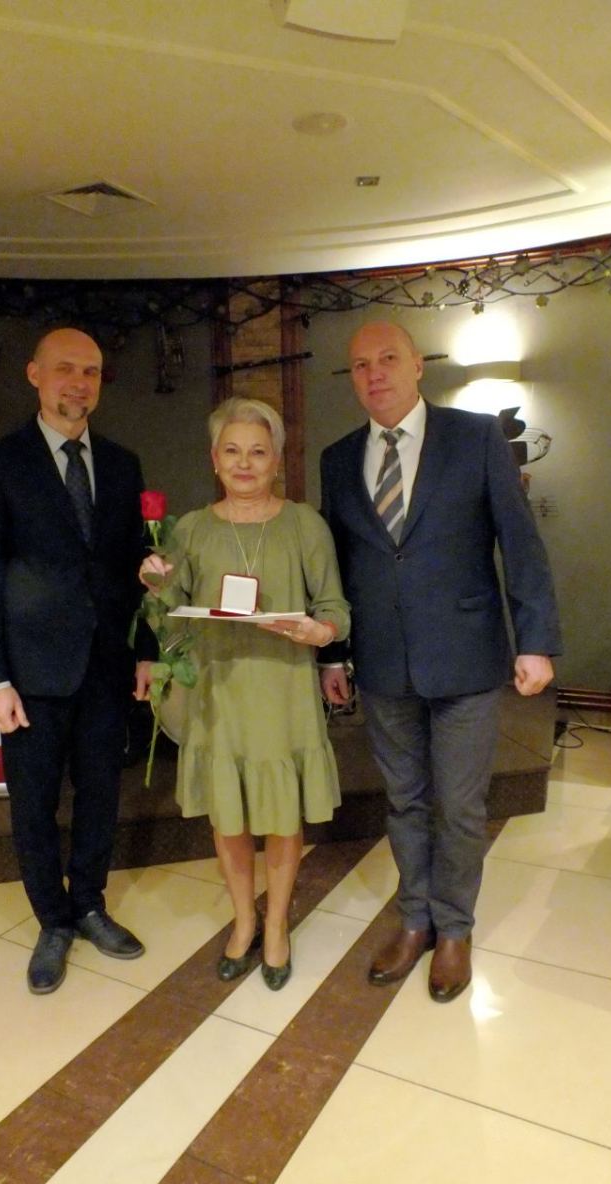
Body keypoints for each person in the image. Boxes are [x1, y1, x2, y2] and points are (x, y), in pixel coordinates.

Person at [320, 320, 562, 1003]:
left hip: (466, 657)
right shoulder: (338, 459)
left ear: (417, 365)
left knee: (457, 806)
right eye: (360, 364)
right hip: (382, 661)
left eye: (387, 358)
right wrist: (333, 654)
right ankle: (414, 919)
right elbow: (336, 568)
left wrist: (536, 640)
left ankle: (454, 928)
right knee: (403, 800)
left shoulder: (475, 437)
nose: (374, 373)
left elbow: (520, 542)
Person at [0, 327, 153, 995]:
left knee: (101, 794)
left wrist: (146, 651)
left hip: (104, 666)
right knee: (34, 804)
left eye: (92, 371)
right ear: (34, 374)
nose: (80, 383)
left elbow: (135, 569)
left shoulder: (122, 464)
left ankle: (90, 904)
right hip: (29, 673)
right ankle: (53, 921)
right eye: (66, 369)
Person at [141, 397, 349, 990]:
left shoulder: (304, 525)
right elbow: (170, 621)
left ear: (277, 460)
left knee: (282, 816)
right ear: (214, 458)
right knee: (228, 817)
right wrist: (155, 587)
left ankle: (277, 925)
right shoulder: (191, 529)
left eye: (258, 452)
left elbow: (334, 606)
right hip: (220, 692)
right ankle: (243, 920)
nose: (244, 462)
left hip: (283, 689)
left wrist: (322, 632)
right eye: (232, 450)